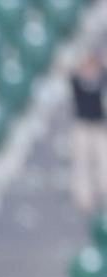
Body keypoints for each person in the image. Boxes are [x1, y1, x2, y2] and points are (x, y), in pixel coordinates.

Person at [73, 52, 107, 217]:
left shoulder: (101, 81)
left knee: (103, 160)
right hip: (83, 127)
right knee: (82, 162)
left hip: (98, 126)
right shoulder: (77, 81)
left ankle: (104, 191)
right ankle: (84, 196)